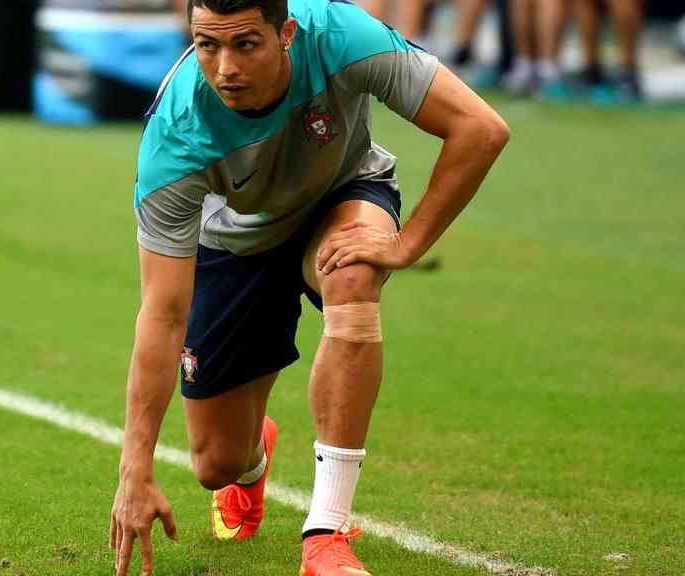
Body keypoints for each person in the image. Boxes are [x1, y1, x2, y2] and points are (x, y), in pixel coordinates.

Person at [109, 0, 509, 575]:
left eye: (245, 43)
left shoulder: (343, 36)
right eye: (207, 45)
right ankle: (253, 460)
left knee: (352, 276)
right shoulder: (174, 138)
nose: (225, 67)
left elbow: (480, 127)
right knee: (214, 463)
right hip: (235, 242)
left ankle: (326, 534)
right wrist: (135, 467)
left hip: (340, 197)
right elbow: (163, 313)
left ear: (287, 33)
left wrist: (407, 243)